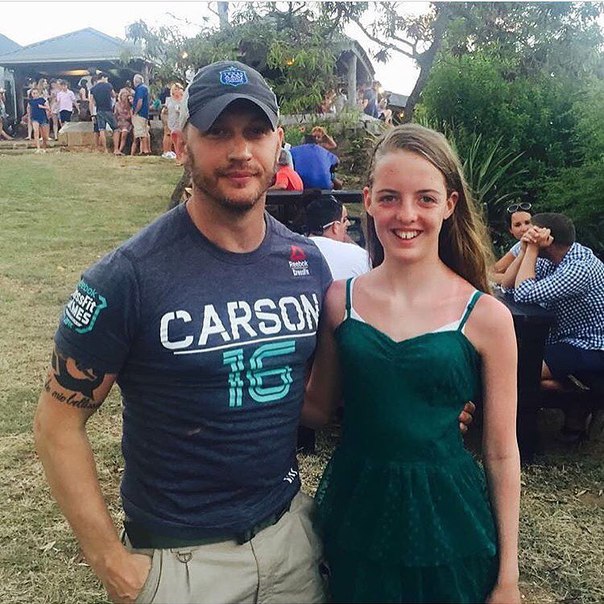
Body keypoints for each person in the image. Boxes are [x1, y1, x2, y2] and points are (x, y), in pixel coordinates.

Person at [33, 59, 332, 604]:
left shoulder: (306, 263)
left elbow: (315, 402)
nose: (240, 151)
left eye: (255, 131)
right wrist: (112, 564)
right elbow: (57, 425)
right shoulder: (128, 276)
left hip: (290, 545)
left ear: (278, 144)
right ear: (182, 145)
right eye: (218, 132)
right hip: (181, 564)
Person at [303, 124, 521, 603]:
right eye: (389, 198)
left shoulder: (486, 316)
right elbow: (316, 408)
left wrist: (509, 577)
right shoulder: (339, 301)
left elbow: (502, 451)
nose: (406, 215)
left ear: (449, 204)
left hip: (448, 519)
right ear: (367, 201)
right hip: (358, 509)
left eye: (425, 198)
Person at [502, 212, 604, 439]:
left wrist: (532, 250)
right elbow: (509, 285)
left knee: (522, 370)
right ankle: (577, 400)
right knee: (524, 369)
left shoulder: (579, 268)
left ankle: (527, 432)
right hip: (568, 340)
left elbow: (524, 293)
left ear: (548, 239)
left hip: (592, 345)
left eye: (531, 232)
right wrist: (526, 250)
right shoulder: (554, 260)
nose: (526, 235)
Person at [304, 191, 370, 280]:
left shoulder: (293, 249)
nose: (348, 223)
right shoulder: (360, 255)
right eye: (344, 219)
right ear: (335, 226)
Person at [491, 202, 532, 284]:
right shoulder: (518, 248)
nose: (524, 228)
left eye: (527, 223)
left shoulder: (547, 242)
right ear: (511, 230)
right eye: (517, 225)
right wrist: (511, 279)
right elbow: (491, 272)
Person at [90, 74, 119, 154]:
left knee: (101, 129)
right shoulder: (108, 85)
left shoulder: (93, 89)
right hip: (108, 110)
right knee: (116, 129)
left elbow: (91, 102)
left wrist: (92, 114)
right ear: (103, 77)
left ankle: (105, 149)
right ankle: (116, 149)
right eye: (106, 78)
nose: (107, 80)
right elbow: (113, 95)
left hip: (99, 111)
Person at [131, 73, 150, 156]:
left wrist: (135, 112)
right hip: (145, 113)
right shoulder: (145, 88)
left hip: (140, 113)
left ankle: (145, 150)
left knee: (141, 133)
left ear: (136, 81)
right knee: (144, 131)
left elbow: (139, 101)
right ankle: (145, 149)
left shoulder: (140, 89)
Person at [27, 87, 50, 153]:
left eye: (36, 93)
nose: (35, 94)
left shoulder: (42, 100)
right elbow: (28, 110)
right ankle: (38, 148)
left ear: (38, 94)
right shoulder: (30, 102)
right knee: (36, 132)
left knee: (44, 135)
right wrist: (29, 118)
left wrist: (42, 107)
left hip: (43, 118)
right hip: (34, 118)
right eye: (33, 93)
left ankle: (44, 148)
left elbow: (48, 108)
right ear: (31, 94)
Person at [113, 89, 133, 156]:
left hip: (127, 123)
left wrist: (126, 117)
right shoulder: (117, 104)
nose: (124, 97)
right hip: (119, 122)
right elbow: (115, 114)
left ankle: (120, 150)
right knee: (117, 131)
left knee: (124, 133)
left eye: (126, 96)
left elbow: (131, 115)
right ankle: (116, 149)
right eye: (123, 95)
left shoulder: (129, 105)